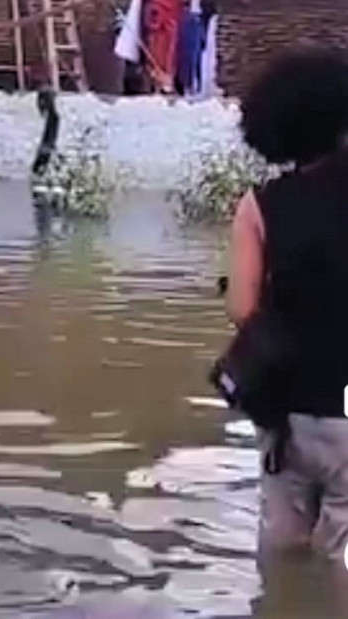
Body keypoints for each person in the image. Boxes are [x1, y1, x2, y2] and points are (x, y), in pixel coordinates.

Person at [226, 48, 348, 565]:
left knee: (283, 547)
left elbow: (241, 309)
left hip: (284, 410)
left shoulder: (259, 205)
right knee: (343, 555)